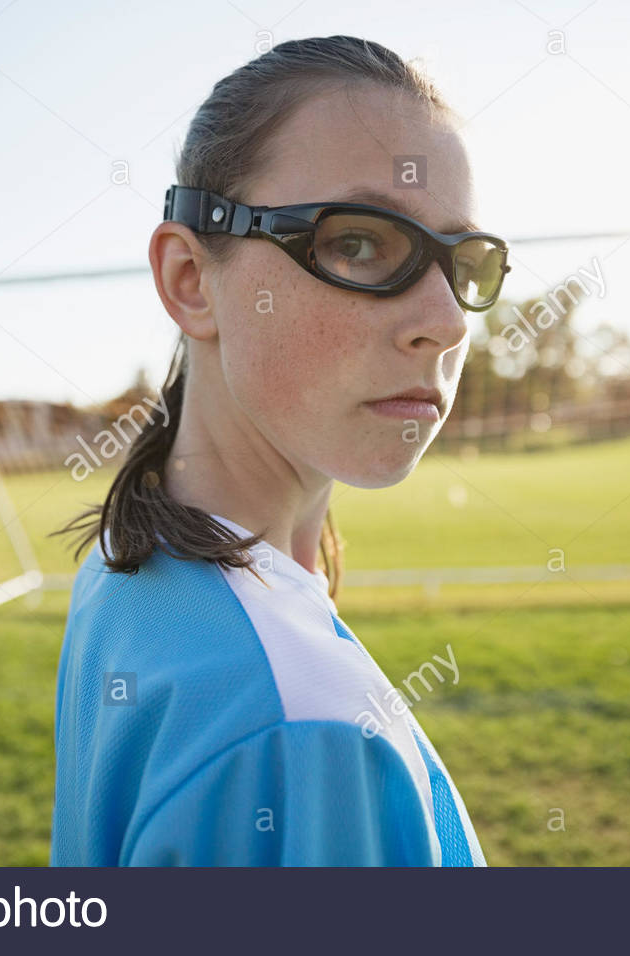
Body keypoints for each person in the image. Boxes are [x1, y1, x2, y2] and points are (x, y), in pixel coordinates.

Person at [49, 35, 510, 866]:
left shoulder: (129, 559)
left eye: (465, 261)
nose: (445, 322)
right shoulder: (304, 731)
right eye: (360, 242)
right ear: (192, 280)